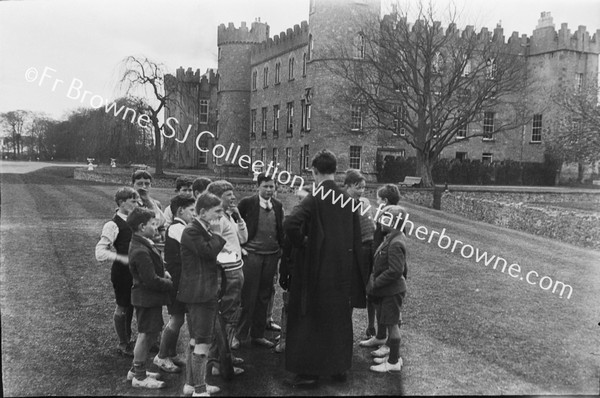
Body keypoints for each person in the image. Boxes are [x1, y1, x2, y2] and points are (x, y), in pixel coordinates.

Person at [283, 150, 366, 387]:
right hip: (341, 271)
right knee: (338, 320)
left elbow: (290, 224)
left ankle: (310, 372)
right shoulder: (348, 199)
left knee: (311, 319)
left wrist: (305, 243)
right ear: (336, 171)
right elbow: (355, 239)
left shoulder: (315, 197)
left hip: (316, 270)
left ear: (314, 172)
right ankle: (338, 368)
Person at [178, 192, 227, 396]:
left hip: (200, 293)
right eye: (218, 211)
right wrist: (217, 234)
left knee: (195, 339)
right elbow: (207, 252)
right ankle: (199, 390)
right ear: (203, 212)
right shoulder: (191, 231)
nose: (221, 215)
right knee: (202, 342)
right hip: (201, 295)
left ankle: (191, 384)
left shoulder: (198, 229)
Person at [126, 207, 173, 389]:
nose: (156, 227)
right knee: (145, 335)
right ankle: (139, 376)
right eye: (153, 224)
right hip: (146, 297)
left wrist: (164, 272)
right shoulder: (140, 250)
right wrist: (170, 283)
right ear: (141, 226)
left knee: (151, 332)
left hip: (148, 298)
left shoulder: (142, 243)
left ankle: (136, 370)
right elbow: (150, 280)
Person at [236, 173, 284, 349]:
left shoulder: (278, 206)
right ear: (258, 186)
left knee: (264, 296)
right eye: (266, 186)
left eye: (272, 186)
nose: (269, 190)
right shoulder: (247, 203)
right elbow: (234, 226)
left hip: (271, 256)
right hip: (252, 255)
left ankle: (258, 335)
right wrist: (240, 247)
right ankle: (239, 335)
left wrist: (280, 249)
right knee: (248, 296)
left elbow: (280, 229)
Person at [206, 180, 248, 375]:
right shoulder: (217, 219)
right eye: (228, 194)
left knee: (231, 314)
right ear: (217, 197)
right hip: (229, 271)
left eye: (233, 193)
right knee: (227, 316)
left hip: (235, 268)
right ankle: (218, 361)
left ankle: (225, 355)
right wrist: (229, 263)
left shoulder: (227, 216)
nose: (233, 197)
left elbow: (242, 239)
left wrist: (238, 218)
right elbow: (215, 249)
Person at [153, 195, 196, 375]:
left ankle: (171, 353)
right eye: (192, 210)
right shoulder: (178, 228)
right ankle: (162, 356)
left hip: (182, 280)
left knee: (179, 318)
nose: (195, 214)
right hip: (177, 281)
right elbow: (193, 247)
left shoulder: (182, 227)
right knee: (176, 319)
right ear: (180, 211)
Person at [95, 187, 139, 357]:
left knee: (134, 305)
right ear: (121, 203)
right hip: (122, 274)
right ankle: (123, 343)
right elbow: (100, 252)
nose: (136, 204)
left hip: (137, 272)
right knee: (123, 306)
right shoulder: (112, 224)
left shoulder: (135, 220)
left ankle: (132, 339)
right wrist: (121, 258)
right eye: (133, 201)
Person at [359, 184, 402, 355]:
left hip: (386, 269)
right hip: (377, 264)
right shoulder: (384, 216)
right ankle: (379, 334)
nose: (376, 202)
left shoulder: (392, 219)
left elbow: (391, 249)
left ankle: (389, 344)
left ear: (384, 201)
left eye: (378, 199)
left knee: (389, 308)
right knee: (375, 299)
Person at [367, 205, 408, 373]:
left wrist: (376, 282)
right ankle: (393, 356)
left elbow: (396, 271)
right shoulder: (392, 237)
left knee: (392, 326)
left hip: (392, 290)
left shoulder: (396, 242)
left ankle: (393, 362)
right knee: (390, 322)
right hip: (389, 290)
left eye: (385, 219)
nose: (380, 221)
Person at [274, 188, 309, 354]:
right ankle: (284, 338)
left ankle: (301, 338)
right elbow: (286, 250)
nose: (301, 203)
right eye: (300, 199)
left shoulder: (316, 223)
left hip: (309, 273)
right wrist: (283, 272)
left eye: (305, 199)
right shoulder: (292, 222)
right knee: (288, 306)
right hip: (294, 271)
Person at [131, 170, 166, 237]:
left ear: (150, 185)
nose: (143, 187)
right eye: (140, 184)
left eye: (147, 184)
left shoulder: (156, 204)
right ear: (133, 185)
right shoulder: (130, 204)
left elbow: (161, 223)